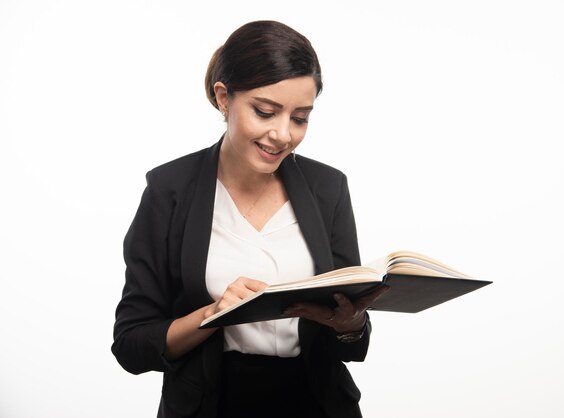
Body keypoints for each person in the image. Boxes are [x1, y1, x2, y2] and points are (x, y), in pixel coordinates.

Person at [112, 20, 387, 418]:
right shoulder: (168, 190)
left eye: (299, 118)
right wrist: (214, 313)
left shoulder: (328, 188)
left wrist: (350, 324)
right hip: (212, 403)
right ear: (223, 97)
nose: (282, 135)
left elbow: (351, 346)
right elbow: (132, 344)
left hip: (317, 404)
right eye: (265, 111)